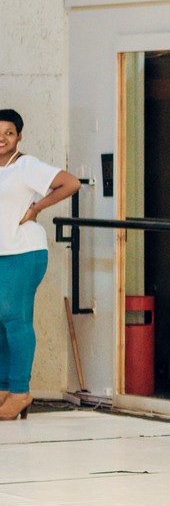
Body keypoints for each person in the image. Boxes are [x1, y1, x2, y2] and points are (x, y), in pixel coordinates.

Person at [0, 109, 81, 420]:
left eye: (9, 133)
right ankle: (3, 389)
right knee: (1, 322)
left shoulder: (26, 166)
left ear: (19, 136)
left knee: (14, 318)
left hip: (24, 251)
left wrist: (36, 208)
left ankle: (20, 392)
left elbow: (70, 183)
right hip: (2, 251)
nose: (2, 138)